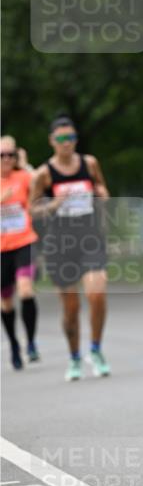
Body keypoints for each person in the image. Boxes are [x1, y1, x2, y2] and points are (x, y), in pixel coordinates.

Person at [30, 117, 111, 381]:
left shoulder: (90, 163)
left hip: (90, 238)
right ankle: (75, 357)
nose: (67, 143)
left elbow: (103, 193)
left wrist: (101, 194)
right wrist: (53, 205)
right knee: (71, 308)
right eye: (61, 139)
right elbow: (32, 209)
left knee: (97, 293)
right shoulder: (43, 174)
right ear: (52, 141)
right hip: (60, 244)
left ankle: (96, 350)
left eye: (71, 138)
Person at [1, 135, 40, 369]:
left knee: (26, 290)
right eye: (1, 155)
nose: (6, 159)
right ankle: (14, 344)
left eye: (10, 155)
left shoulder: (23, 176)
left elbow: (41, 183)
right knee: (5, 302)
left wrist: (25, 164)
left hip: (23, 242)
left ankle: (31, 342)